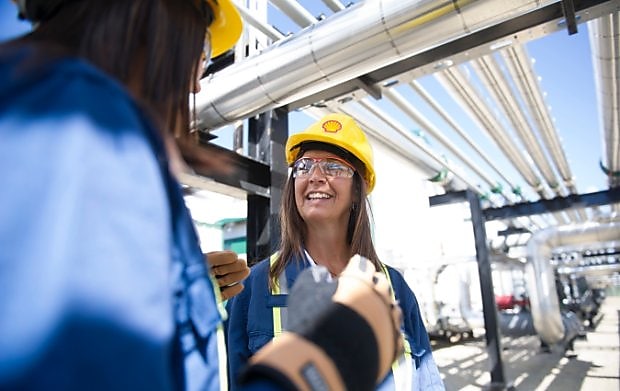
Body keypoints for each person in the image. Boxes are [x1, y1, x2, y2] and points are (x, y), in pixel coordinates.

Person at [0, 1, 403, 390]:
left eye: (334, 168)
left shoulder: (48, 109)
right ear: (150, 12)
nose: (197, 81)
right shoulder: (86, 126)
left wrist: (179, 284)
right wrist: (330, 359)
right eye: (204, 48)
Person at [226, 113, 446, 390]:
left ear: (357, 190)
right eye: (304, 166)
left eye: (333, 166)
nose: (315, 176)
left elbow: (427, 383)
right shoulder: (253, 288)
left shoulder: (395, 288)